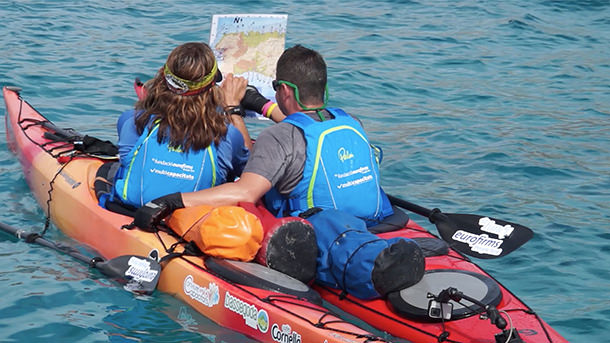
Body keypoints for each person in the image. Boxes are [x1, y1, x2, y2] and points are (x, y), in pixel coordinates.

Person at [134, 45, 424, 299]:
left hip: (317, 231)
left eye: (276, 88)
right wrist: (264, 106)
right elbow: (305, 125)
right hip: (371, 219)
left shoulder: (279, 138)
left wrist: (175, 200)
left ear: (284, 89)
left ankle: (371, 264)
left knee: (254, 207)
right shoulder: (351, 122)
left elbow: (246, 188)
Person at [97, 42, 252, 209]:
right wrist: (233, 109)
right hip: (189, 220)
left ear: (163, 78)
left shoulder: (132, 120)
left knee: (108, 170)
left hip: (133, 210)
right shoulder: (227, 135)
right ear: (210, 89)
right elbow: (248, 171)